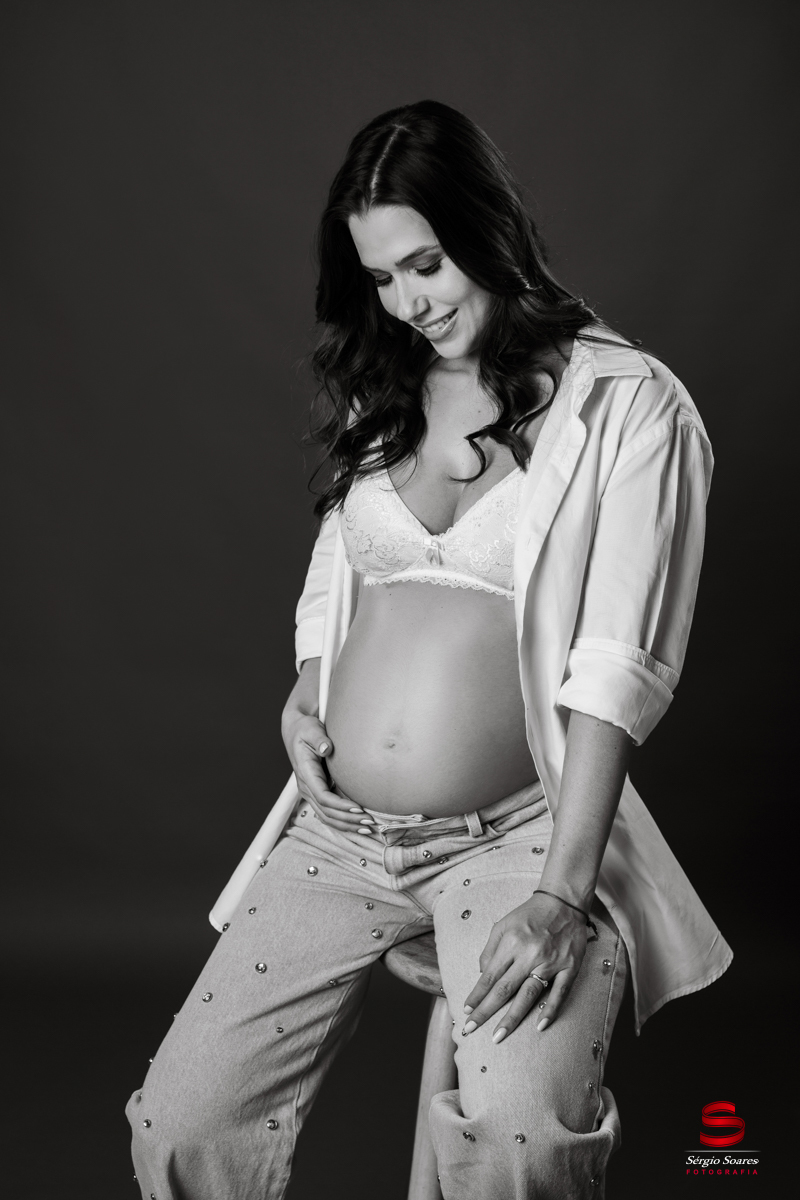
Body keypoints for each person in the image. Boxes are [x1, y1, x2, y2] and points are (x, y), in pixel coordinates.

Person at [127, 100, 732, 1200]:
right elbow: (343, 560)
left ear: (487, 226)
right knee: (182, 1123)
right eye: (382, 278)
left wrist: (560, 896)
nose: (409, 302)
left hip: (521, 838)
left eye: (426, 264)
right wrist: (310, 687)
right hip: (338, 834)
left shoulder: (630, 408)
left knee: (519, 1142)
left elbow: (616, 668)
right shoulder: (390, 382)